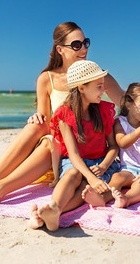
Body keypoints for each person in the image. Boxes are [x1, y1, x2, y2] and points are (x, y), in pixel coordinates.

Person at [0, 22, 124, 211]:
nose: (83, 48)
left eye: (86, 43)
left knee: (50, 141)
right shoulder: (47, 78)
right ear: (60, 49)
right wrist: (36, 118)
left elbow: (129, 104)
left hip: (83, 152)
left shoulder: (96, 77)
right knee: (36, 127)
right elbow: (47, 121)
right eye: (76, 45)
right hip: (60, 152)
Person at [29, 60, 119, 231]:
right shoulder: (64, 114)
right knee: (73, 174)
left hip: (100, 163)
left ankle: (54, 212)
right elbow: (74, 155)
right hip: (75, 163)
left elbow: (113, 146)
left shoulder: (103, 110)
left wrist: (103, 166)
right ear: (81, 87)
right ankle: (53, 208)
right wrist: (92, 178)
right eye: (99, 86)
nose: (104, 90)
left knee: (86, 190)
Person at [82, 83, 140, 208]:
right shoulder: (120, 122)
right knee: (117, 178)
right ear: (129, 104)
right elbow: (123, 143)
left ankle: (126, 199)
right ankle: (103, 198)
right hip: (128, 168)